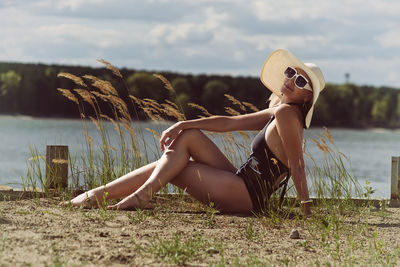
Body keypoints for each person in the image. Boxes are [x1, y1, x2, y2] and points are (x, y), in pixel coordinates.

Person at [62, 49, 325, 217]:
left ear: (307, 96)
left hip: (248, 196)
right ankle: (99, 196)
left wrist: (306, 210)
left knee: (174, 167)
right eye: (290, 73)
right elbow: (230, 123)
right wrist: (183, 124)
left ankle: (119, 196)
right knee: (186, 141)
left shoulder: (287, 114)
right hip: (240, 182)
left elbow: (297, 165)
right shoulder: (282, 111)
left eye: (300, 81)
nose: (290, 81)